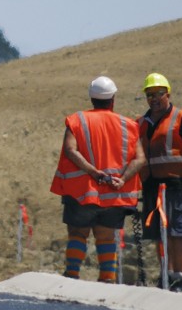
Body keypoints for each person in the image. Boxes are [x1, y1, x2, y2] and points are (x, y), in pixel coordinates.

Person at [49, 76, 145, 283]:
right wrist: (122, 179)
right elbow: (140, 159)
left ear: (92, 99)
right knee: (106, 237)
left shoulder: (77, 120)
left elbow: (70, 150)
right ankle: (107, 279)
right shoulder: (128, 125)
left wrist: (93, 172)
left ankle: (72, 274)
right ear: (113, 99)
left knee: (77, 234)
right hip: (114, 194)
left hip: (82, 191)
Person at [138, 72, 182, 292]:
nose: (154, 98)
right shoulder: (141, 123)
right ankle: (165, 273)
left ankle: (178, 277)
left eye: (158, 93)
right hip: (151, 185)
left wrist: (181, 166)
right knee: (159, 233)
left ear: (168, 94)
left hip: (176, 185)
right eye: (149, 95)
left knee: (177, 231)